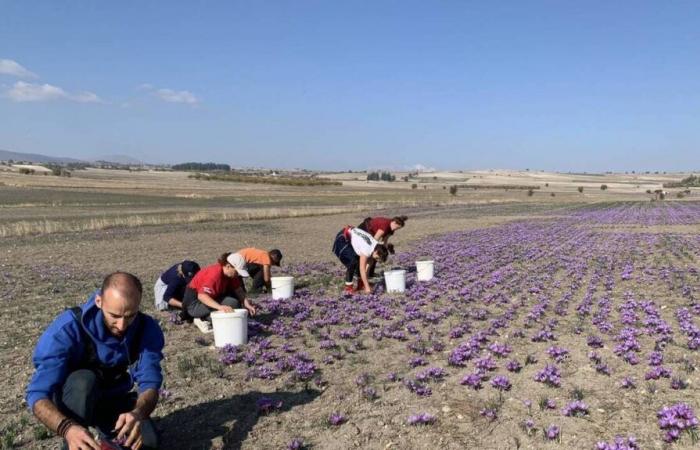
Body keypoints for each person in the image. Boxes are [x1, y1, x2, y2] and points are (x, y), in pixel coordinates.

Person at [26, 272, 164, 450]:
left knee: (148, 443)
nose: (122, 326)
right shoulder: (67, 329)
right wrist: (67, 428)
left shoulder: (146, 328)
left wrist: (138, 413)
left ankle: (107, 440)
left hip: (112, 397)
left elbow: (151, 383)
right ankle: (74, 442)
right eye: (114, 315)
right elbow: (37, 395)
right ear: (99, 302)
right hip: (74, 400)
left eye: (130, 316)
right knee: (83, 381)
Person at [182, 252, 258, 333]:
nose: (238, 275)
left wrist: (247, 304)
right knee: (226, 318)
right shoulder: (215, 275)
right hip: (194, 304)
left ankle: (207, 316)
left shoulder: (231, 275)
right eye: (237, 272)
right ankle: (201, 319)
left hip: (209, 299)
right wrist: (220, 307)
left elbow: (238, 290)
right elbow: (202, 296)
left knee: (234, 303)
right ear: (228, 266)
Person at [332, 225, 389, 294]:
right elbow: (362, 269)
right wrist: (367, 287)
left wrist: (365, 283)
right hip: (342, 238)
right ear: (376, 252)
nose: (376, 260)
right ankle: (348, 287)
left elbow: (368, 266)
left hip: (350, 234)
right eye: (377, 258)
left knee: (359, 260)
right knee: (353, 262)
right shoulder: (367, 249)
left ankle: (360, 284)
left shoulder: (376, 246)